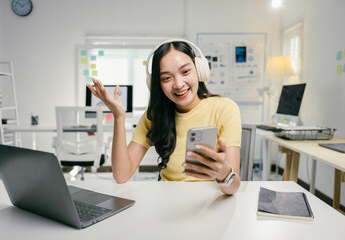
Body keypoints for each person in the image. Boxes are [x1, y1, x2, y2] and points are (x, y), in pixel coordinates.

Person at [87, 39, 242, 195]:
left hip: (209, 201)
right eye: (166, 78)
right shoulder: (155, 115)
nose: (179, 84)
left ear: (199, 70)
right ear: (157, 84)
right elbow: (121, 175)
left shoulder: (224, 108)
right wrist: (119, 117)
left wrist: (224, 172)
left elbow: (233, 188)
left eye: (185, 71)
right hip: (166, 201)